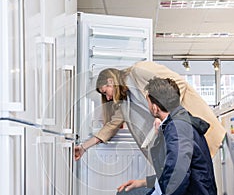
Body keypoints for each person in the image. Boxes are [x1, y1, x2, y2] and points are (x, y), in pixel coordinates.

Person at [74, 61, 226, 161]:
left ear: (111, 81)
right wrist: (83, 148)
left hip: (198, 131)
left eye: (104, 91)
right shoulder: (125, 102)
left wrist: (163, 113)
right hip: (179, 141)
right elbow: (111, 126)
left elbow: (178, 83)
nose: (106, 98)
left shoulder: (139, 71)